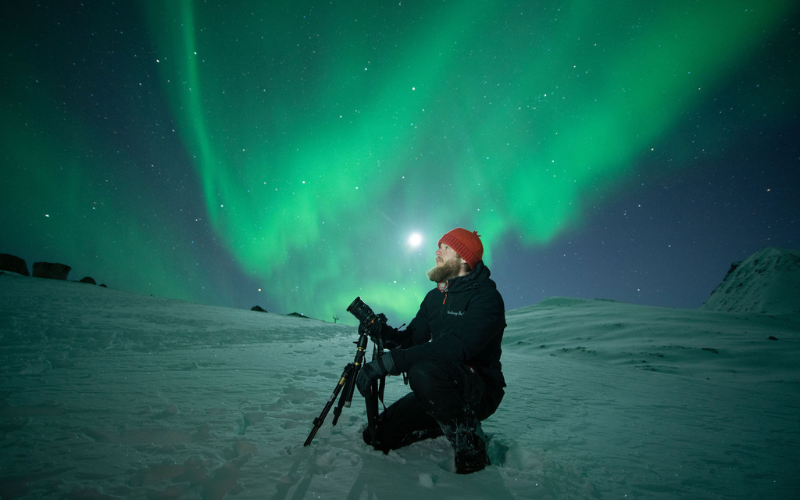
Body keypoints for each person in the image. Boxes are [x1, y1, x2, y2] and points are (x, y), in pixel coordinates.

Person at [356, 228, 506, 474]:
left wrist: (393, 362)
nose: (437, 252)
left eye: (445, 248)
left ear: (463, 258)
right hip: (440, 386)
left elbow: (456, 346)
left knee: (423, 370)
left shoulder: (487, 298)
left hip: (479, 388)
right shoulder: (434, 298)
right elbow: (412, 340)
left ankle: (470, 445)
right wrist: (382, 332)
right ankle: (442, 419)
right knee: (377, 436)